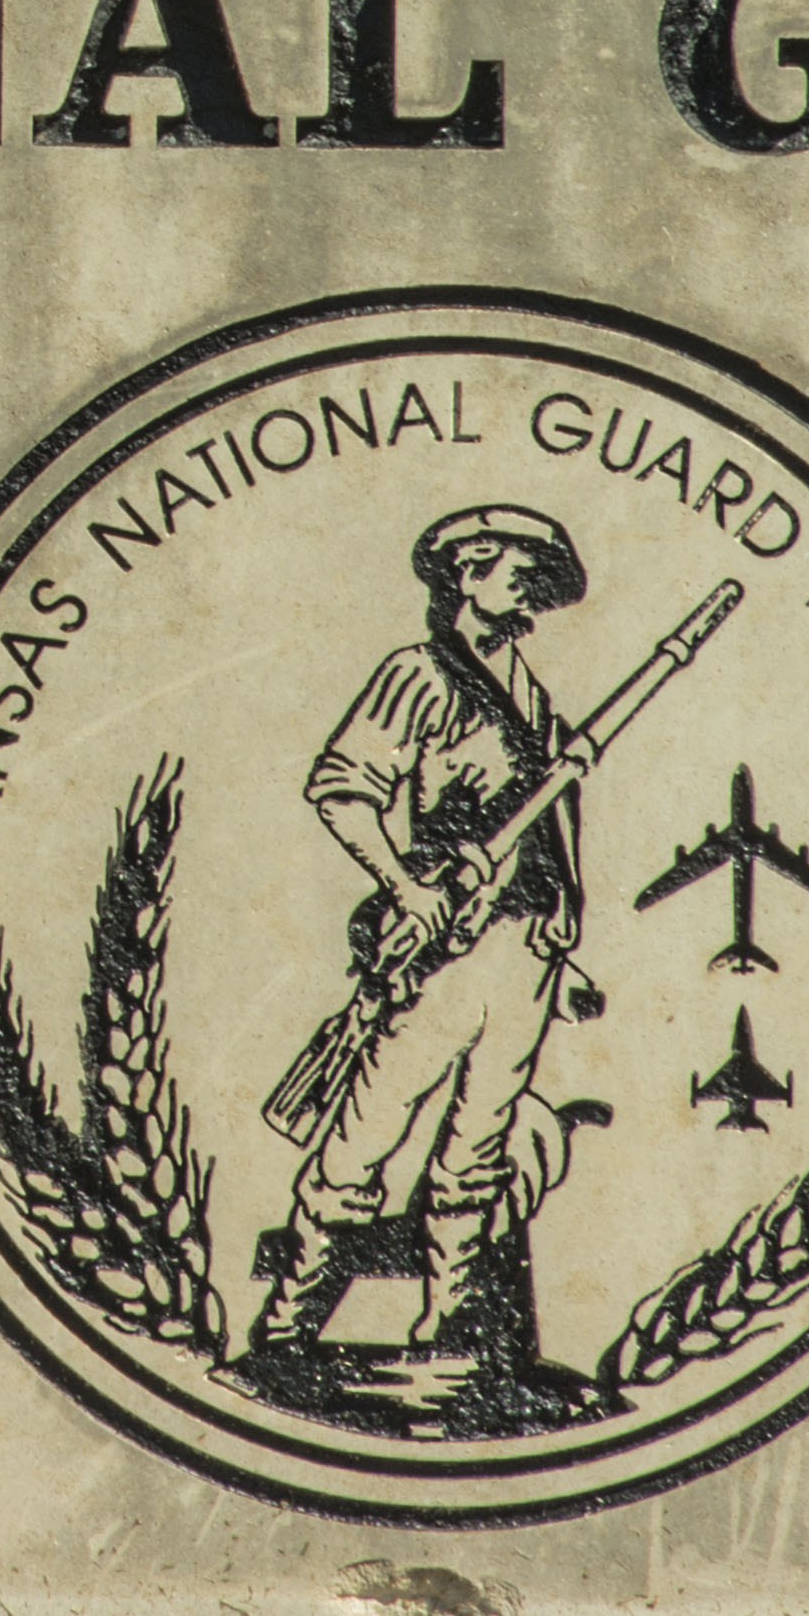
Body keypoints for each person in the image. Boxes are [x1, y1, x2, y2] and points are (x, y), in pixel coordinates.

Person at [244, 500, 614, 1427]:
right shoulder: (414, 676)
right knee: (364, 1138)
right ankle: (287, 1332)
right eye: (511, 562)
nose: (527, 578)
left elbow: (549, 838)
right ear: (465, 572)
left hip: (523, 951)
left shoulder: (528, 691)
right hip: (444, 948)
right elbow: (341, 789)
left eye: (536, 564)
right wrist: (407, 888)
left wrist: (561, 931)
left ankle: (452, 1341)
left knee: (476, 1155)